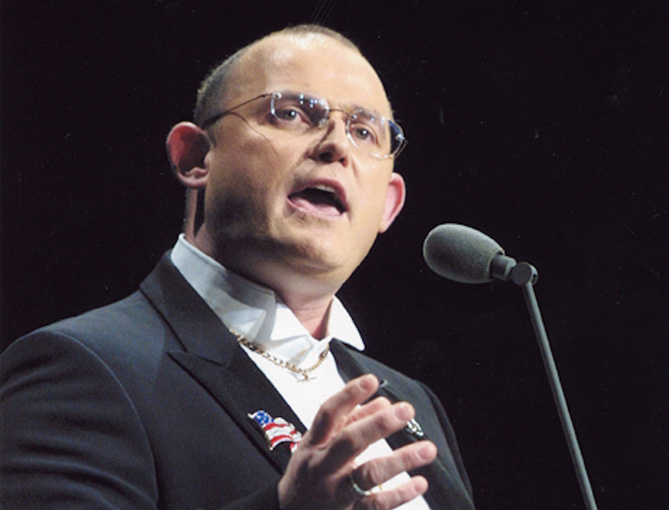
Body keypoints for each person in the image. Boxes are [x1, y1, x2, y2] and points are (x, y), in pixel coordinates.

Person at [0, 25, 474, 509]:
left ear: (388, 205)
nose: (337, 146)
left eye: (364, 132)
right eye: (292, 113)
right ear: (196, 157)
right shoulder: (84, 366)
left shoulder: (412, 405)